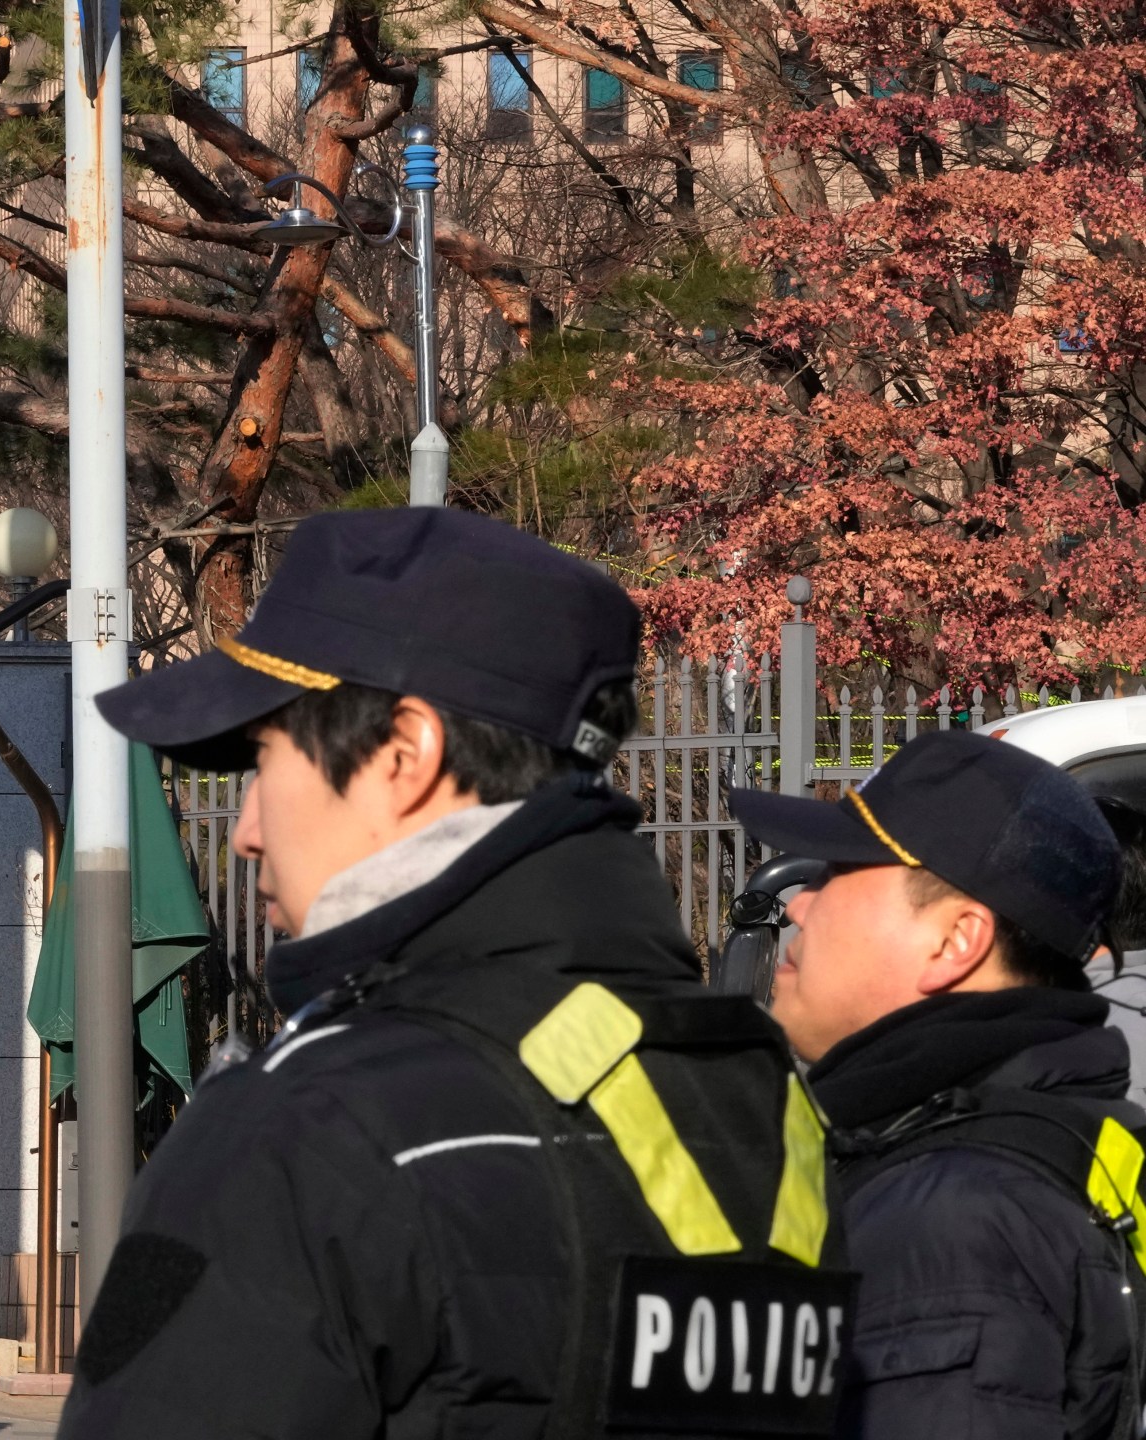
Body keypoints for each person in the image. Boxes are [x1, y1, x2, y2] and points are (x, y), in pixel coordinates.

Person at [63, 507, 847, 1437]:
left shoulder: (304, 1132)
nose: (245, 833)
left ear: (405, 753)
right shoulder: (766, 1104)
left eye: (265, 763)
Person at [730, 730, 1143, 1437]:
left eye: (840, 871)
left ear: (955, 942)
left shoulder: (954, 1221)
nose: (799, 904)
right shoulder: (1067, 1137)